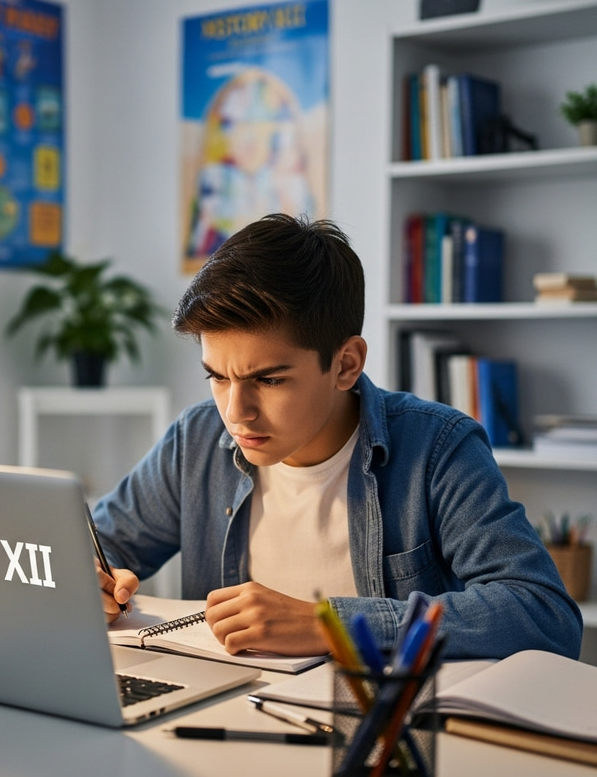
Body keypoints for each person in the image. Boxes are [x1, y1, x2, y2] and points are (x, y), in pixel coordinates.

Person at [92, 213, 582, 661]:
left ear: (346, 363)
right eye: (217, 377)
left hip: (383, 734)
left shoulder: (438, 447)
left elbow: (543, 613)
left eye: (268, 379)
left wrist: (330, 625)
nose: (235, 413)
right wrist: (93, 580)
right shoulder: (195, 440)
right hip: (226, 719)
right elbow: (96, 545)